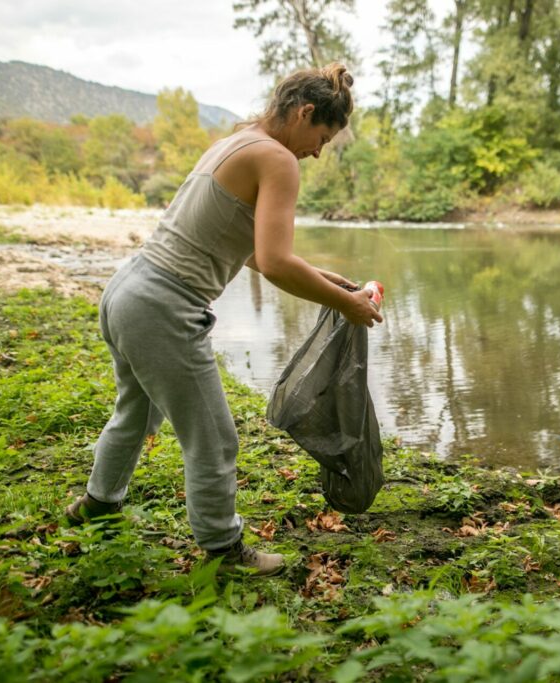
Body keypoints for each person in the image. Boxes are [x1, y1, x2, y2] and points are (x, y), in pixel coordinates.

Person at [64, 63, 383, 577]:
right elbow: (276, 263)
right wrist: (347, 304)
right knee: (214, 438)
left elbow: (254, 254)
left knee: (136, 413)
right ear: (304, 113)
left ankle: (98, 505)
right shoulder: (278, 159)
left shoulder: (238, 141)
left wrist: (331, 283)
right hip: (165, 306)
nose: (318, 152)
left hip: (129, 291)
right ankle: (223, 549)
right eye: (322, 137)